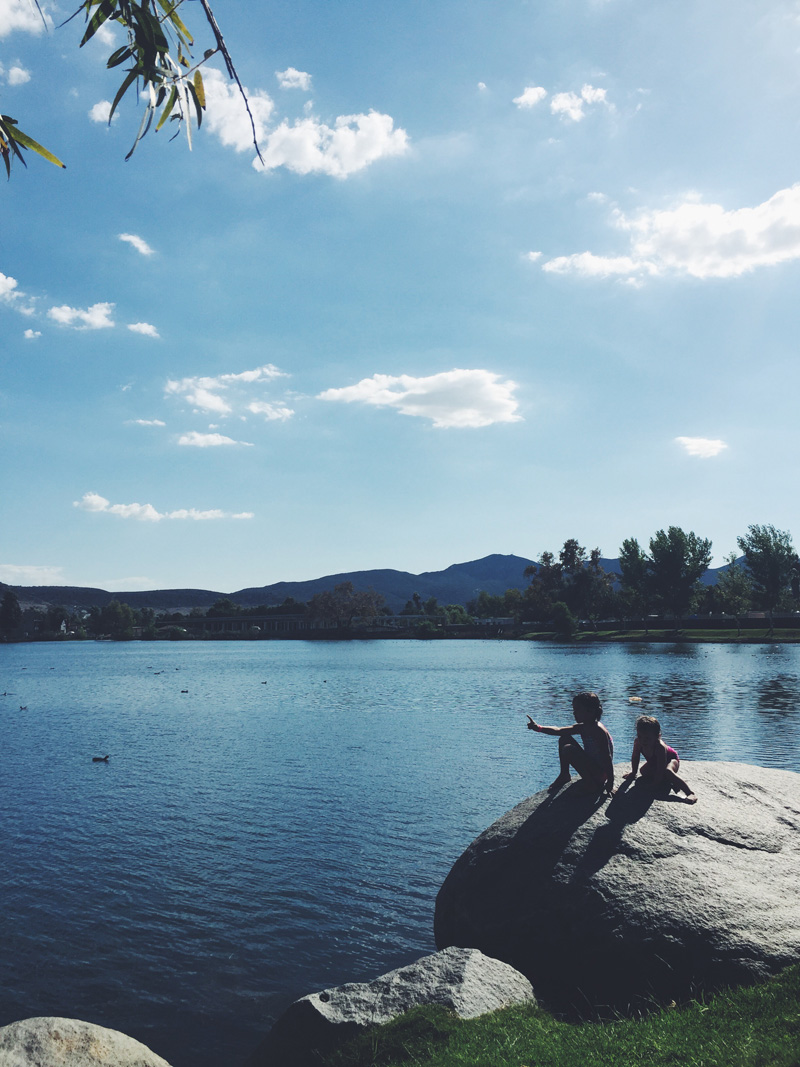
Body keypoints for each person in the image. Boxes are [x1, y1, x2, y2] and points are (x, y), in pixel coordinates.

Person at [527, 691, 614, 795]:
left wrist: (610, 780)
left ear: (590, 711)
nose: (574, 713)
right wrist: (539, 728)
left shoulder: (598, 730)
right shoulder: (583, 726)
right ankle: (564, 774)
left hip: (599, 774)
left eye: (577, 709)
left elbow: (607, 757)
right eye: (574, 709)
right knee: (564, 738)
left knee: (568, 749)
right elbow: (558, 730)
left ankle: (591, 784)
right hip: (592, 766)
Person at [622, 714, 697, 803]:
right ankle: (670, 781)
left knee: (667, 772)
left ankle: (689, 793)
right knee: (643, 771)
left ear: (658, 736)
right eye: (640, 736)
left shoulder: (659, 747)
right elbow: (635, 757)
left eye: (647, 738)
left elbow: (661, 767)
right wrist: (633, 772)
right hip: (655, 762)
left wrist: (655, 784)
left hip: (670, 759)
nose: (643, 740)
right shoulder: (638, 742)